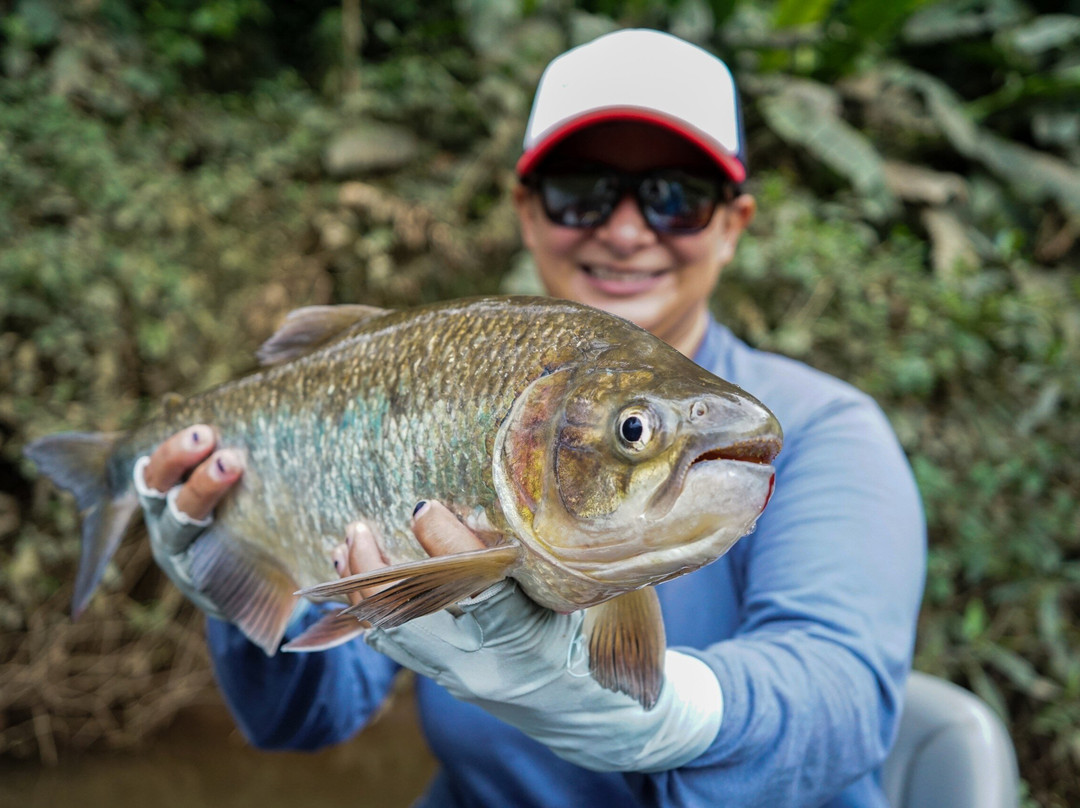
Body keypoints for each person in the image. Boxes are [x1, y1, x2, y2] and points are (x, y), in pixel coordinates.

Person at [136, 29, 926, 807]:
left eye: (675, 198)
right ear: (526, 208)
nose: (623, 229)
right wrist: (240, 578)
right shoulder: (443, 376)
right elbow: (304, 716)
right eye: (581, 190)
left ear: (732, 224)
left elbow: (842, 696)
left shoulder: (827, 430)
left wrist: (673, 721)